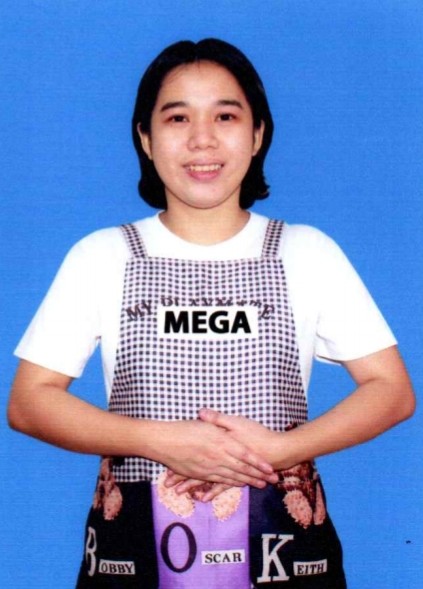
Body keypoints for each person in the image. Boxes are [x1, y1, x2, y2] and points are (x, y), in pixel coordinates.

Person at [8, 38, 415, 588]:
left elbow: (391, 390)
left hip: (283, 540)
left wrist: (281, 449)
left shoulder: (307, 252)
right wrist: (159, 440)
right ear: (146, 138)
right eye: (177, 118)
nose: (202, 139)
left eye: (226, 116)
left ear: (258, 134)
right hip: (134, 551)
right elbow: (30, 403)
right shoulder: (102, 256)